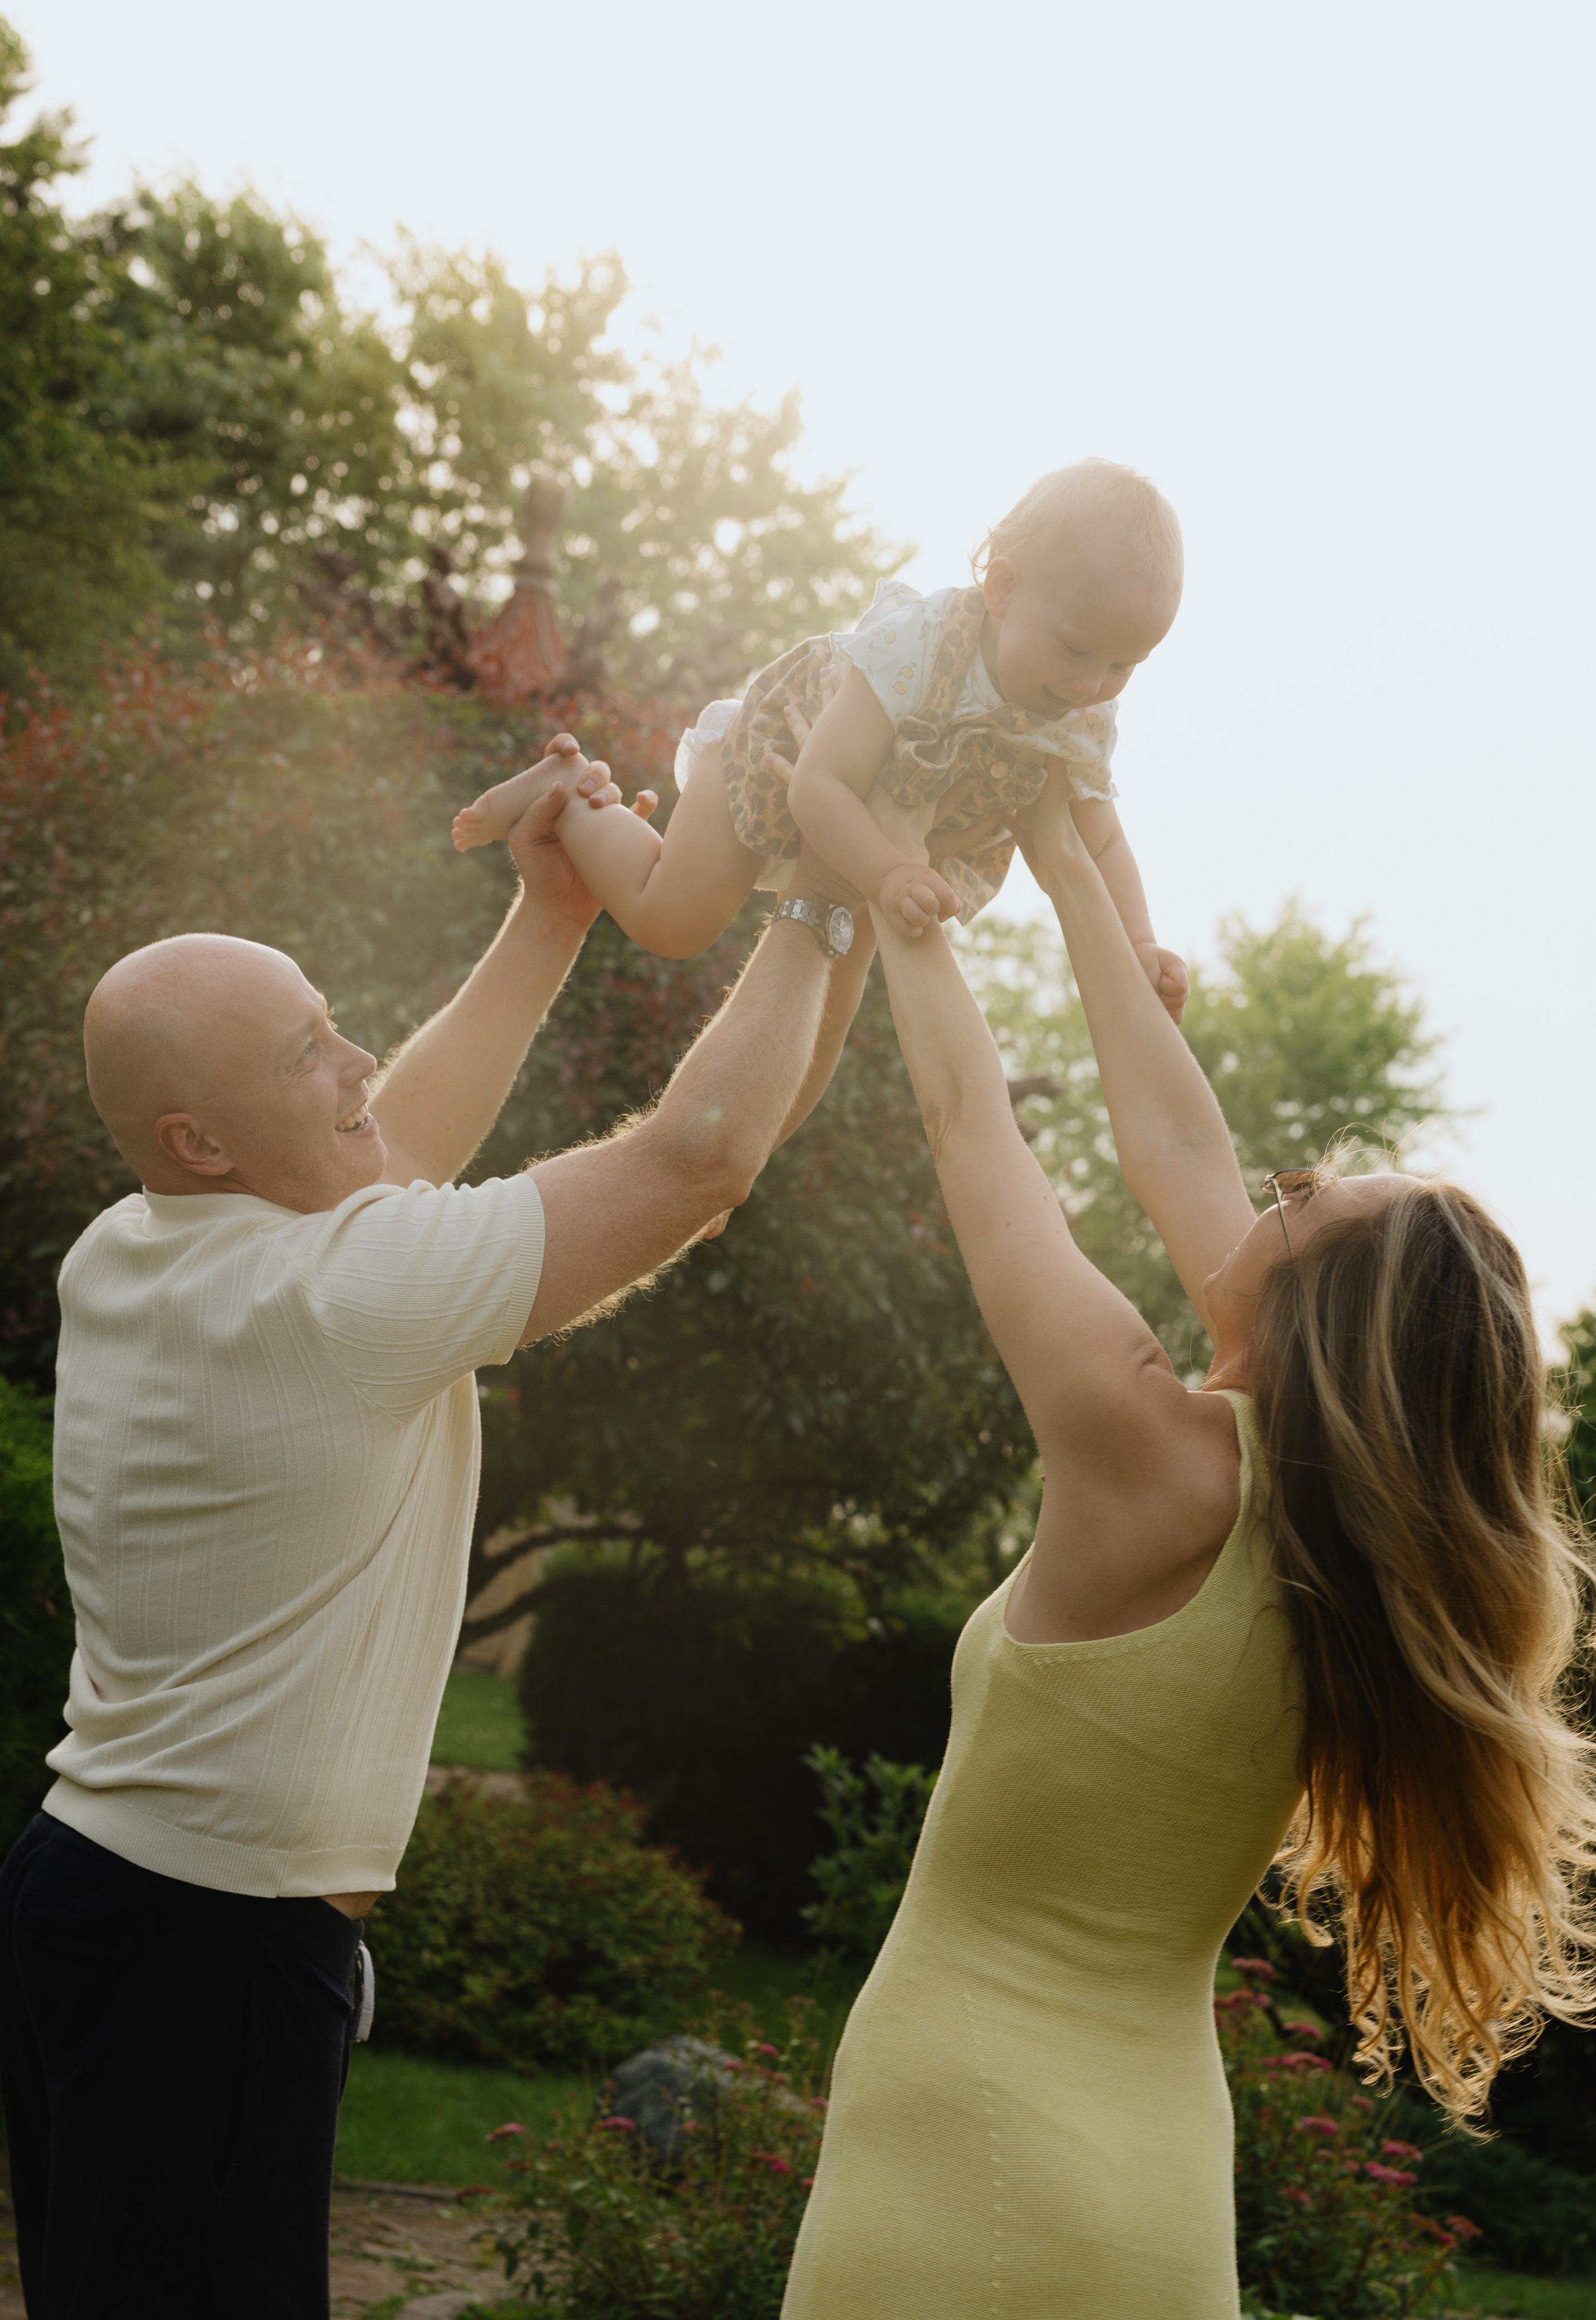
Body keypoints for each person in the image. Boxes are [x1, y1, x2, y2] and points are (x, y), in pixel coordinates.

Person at [0, 754, 872, 2320]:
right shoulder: (337, 1294)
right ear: (202, 1136)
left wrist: (547, 918)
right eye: (306, 1048)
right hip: (203, 1949)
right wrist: (818, 882)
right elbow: (694, 1165)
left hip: (110, 1903)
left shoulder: (135, 1247)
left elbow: (379, 1142)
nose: (352, 1059)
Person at [781, 768, 1596, 2318]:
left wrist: (887, 883)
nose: (1254, 1183)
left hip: (963, 2164)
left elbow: (971, 1126)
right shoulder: (1346, 1556)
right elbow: (1167, 1136)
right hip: (1148, 2191)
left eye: (1294, 1192)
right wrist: (1065, 857)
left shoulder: (1149, 1452)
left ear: (1319, 1307)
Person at [453, 460, 1190, 1017]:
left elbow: (1100, 841)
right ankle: (569, 791)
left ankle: (736, 1163)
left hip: (885, 833)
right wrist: (887, 876)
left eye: (1125, 664)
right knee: (673, 918)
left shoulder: (1083, 716)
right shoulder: (921, 647)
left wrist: (1137, 943)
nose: (1092, 685)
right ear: (1000, 589)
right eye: (1074, 649)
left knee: (830, 1013)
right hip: (781, 758)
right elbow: (818, 784)